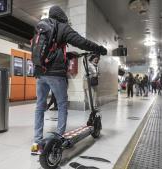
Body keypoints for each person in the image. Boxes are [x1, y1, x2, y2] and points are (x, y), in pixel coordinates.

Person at [31, 5, 107, 155]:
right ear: (62, 16)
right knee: (62, 104)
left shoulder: (41, 27)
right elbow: (81, 42)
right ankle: (58, 139)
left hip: (40, 72)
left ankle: (37, 142)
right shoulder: (62, 27)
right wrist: (99, 48)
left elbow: (46, 48)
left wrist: (68, 53)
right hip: (55, 74)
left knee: (40, 106)